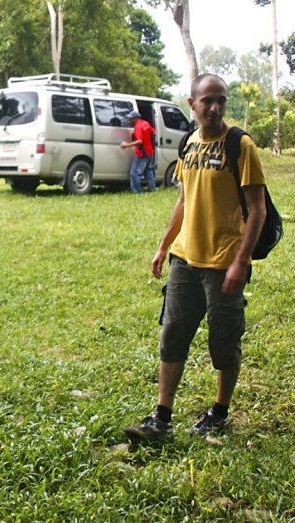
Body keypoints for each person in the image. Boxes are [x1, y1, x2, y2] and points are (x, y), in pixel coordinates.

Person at [123, 73, 267, 444]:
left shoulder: (241, 145)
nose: (215, 107)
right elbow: (184, 200)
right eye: (207, 100)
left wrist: (241, 262)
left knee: (223, 340)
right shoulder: (188, 143)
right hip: (185, 260)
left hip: (224, 263)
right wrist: (163, 245)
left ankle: (219, 413)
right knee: (172, 336)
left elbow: (258, 210)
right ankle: (161, 418)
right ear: (193, 104)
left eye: (221, 99)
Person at [120, 109, 156, 193]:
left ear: (136, 118)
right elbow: (153, 132)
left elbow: (140, 141)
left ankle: (137, 191)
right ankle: (152, 189)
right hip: (150, 151)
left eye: (131, 118)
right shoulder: (146, 123)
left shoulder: (138, 127)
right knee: (148, 171)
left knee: (135, 173)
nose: (129, 120)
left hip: (142, 153)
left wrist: (126, 145)